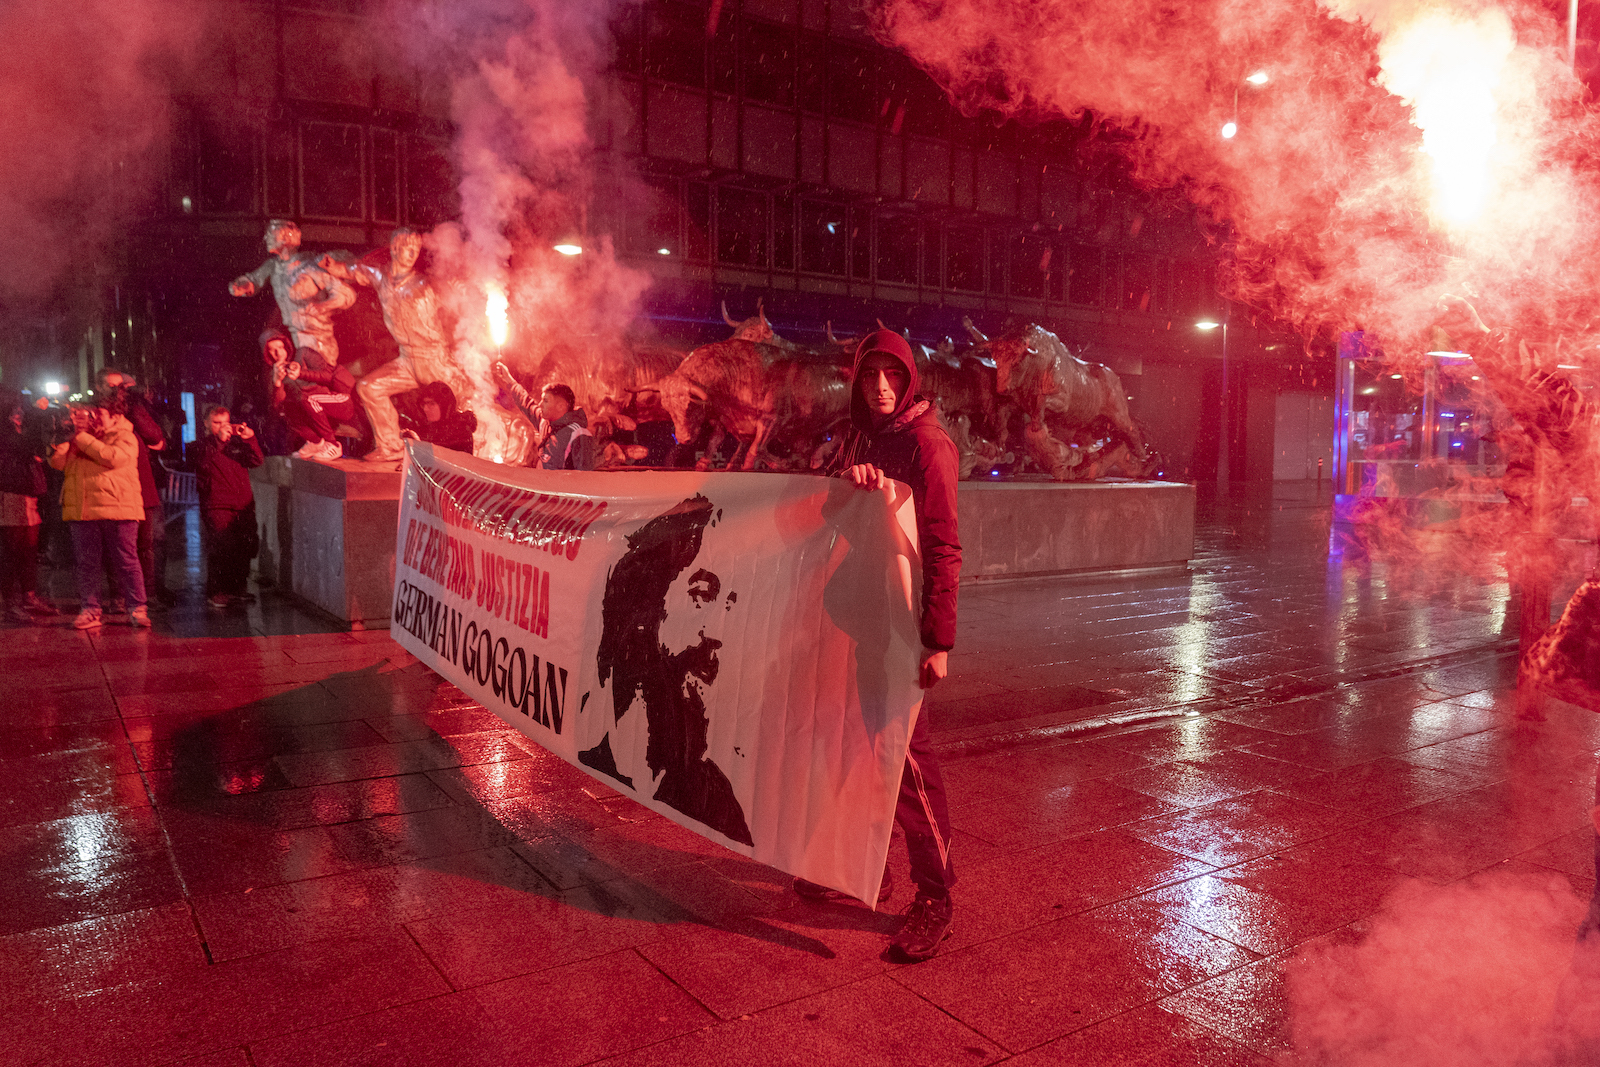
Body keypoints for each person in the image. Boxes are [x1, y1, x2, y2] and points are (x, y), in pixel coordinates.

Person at [799, 328, 962, 963]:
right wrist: (854, 479)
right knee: (867, 744)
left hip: (905, 630)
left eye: (892, 377)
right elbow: (841, 516)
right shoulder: (876, 439)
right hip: (872, 617)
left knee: (909, 759)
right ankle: (867, 870)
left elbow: (945, 546)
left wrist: (937, 641)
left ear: (910, 379)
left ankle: (936, 895)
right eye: (871, 379)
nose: (882, 387)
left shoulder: (928, 445)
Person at [321, 228, 474, 465]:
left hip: (434, 358)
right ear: (394, 249)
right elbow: (355, 270)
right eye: (407, 248)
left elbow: (456, 295)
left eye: (416, 249)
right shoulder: (381, 276)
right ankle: (390, 446)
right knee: (369, 388)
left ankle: (479, 451)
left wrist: (461, 289)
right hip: (407, 359)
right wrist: (334, 267)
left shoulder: (427, 284)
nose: (413, 253)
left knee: (464, 399)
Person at [50, 396, 147, 629]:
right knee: (87, 563)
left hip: (119, 508)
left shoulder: (125, 436)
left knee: (126, 560)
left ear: (115, 416)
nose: (92, 418)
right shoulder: (79, 436)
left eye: (98, 414)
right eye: (87, 414)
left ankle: (138, 608)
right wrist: (64, 437)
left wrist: (81, 437)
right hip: (83, 509)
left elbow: (111, 458)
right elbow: (58, 463)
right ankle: (90, 609)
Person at [229, 219, 355, 368]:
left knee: (320, 376)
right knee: (302, 380)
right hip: (295, 336)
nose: (266, 238)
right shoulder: (272, 267)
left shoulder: (309, 266)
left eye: (271, 234)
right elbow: (254, 280)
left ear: (286, 238)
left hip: (318, 336)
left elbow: (346, 295)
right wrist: (242, 286)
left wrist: (323, 306)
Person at [95, 369, 172, 609]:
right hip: (112, 486)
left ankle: (148, 593)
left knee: (146, 545)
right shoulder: (98, 413)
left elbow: (157, 437)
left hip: (141, 485)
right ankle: (119, 594)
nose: (119, 392)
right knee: (116, 545)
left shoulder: (134, 409)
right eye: (113, 387)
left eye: (123, 387)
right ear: (100, 388)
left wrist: (134, 408)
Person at [191, 405, 263, 608]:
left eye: (226, 422)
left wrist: (250, 438)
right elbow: (204, 463)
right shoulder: (200, 445)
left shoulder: (236, 444)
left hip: (243, 504)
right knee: (222, 548)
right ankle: (217, 591)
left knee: (245, 547)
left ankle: (237, 589)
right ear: (205, 423)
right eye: (216, 423)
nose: (223, 427)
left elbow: (257, 460)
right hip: (218, 505)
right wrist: (219, 441)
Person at [0, 390, 56, 622]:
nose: (19, 413)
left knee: (30, 548)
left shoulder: (22, 430)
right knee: (12, 550)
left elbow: (42, 449)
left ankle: (28, 596)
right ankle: (10, 603)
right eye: (14, 409)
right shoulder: (5, 432)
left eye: (21, 408)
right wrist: (40, 414)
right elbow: (27, 446)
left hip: (30, 492)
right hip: (11, 491)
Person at [261, 327, 356, 462]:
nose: (279, 352)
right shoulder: (273, 374)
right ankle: (315, 442)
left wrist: (301, 373)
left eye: (281, 347)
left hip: (340, 401)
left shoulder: (303, 354)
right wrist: (277, 382)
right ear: (267, 353)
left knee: (308, 398)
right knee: (287, 411)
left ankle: (333, 444)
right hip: (317, 413)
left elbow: (329, 375)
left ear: (286, 345)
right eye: (272, 349)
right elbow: (278, 406)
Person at [494, 366, 596, 471]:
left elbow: (584, 475)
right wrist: (509, 380)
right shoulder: (545, 424)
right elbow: (527, 404)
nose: (540, 404)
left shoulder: (579, 434)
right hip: (540, 483)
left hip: (556, 487)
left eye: (546, 401)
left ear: (561, 406)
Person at [401, 381, 477, 453]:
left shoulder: (461, 430)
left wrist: (418, 444)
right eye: (424, 404)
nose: (425, 409)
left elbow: (443, 455)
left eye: (431, 404)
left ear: (444, 406)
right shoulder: (430, 428)